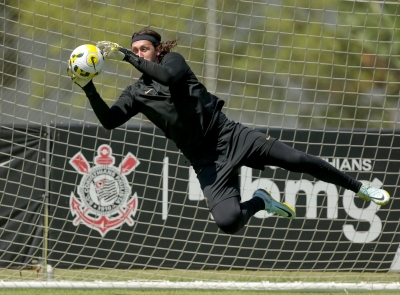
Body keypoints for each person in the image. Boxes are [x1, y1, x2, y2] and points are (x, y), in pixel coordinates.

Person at [67, 28, 390, 235]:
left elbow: (166, 78)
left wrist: (123, 55)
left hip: (229, 135)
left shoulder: (175, 63)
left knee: (297, 158)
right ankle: (261, 202)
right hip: (205, 159)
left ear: (157, 51)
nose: (138, 53)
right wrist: (88, 87)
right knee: (229, 222)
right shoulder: (136, 93)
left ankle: (360, 188)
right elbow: (110, 121)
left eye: (143, 49)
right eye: (134, 49)